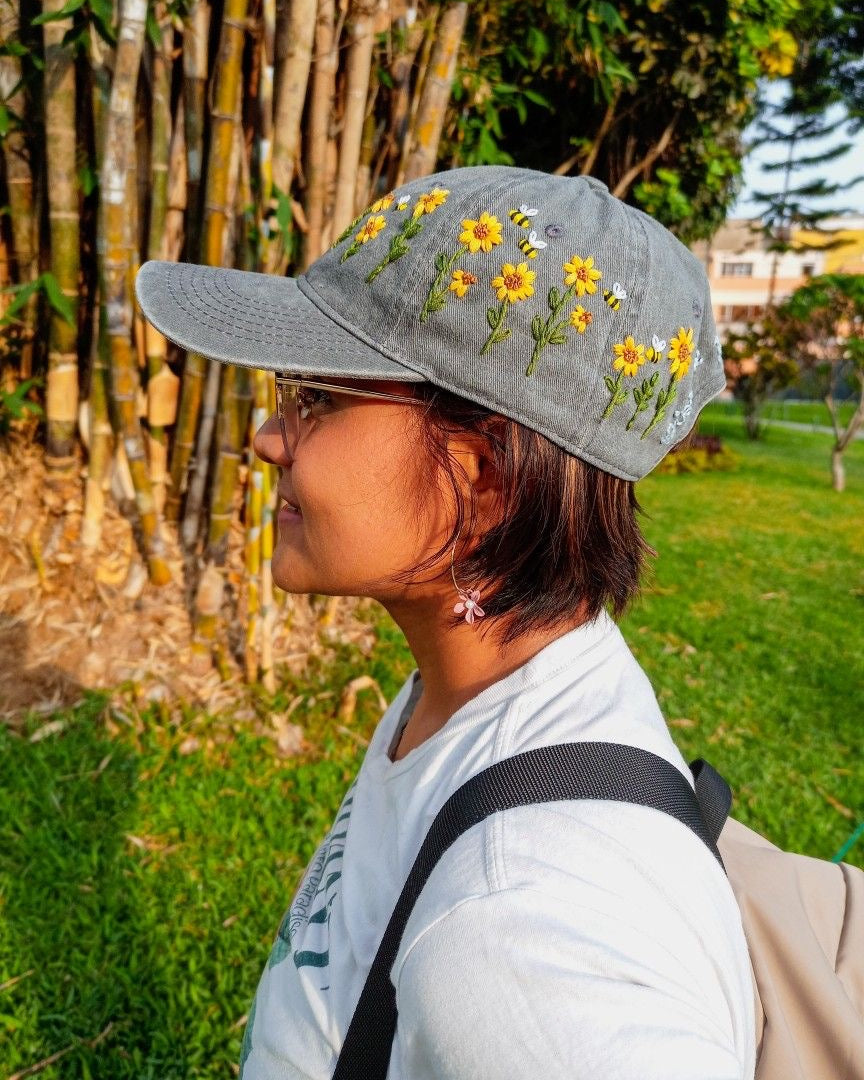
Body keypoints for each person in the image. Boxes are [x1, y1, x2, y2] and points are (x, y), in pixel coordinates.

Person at [136, 166, 756, 1080]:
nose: (272, 437)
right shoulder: (481, 679)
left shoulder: (526, 922)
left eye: (319, 398)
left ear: (482, 485)